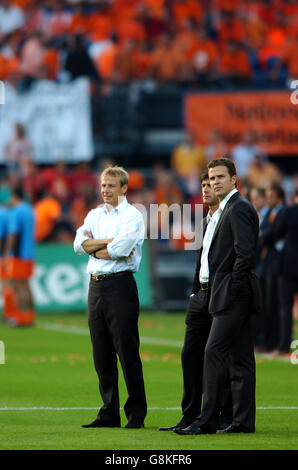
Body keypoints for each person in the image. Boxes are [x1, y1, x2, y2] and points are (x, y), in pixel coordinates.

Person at [175, 157, 261, 435]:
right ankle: (242, 423)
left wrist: (233, 288)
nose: (214, 183)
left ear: (234, 179)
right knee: (241, 358)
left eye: (220, 177)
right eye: (211, 179)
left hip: (231, 294)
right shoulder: (225, 210)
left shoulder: (237, 209)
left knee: (214, 352)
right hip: (220, 292)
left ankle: (209, 420)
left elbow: (246, 254)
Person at [73, 165, 147, 429]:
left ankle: (136, 413)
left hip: (120, 286)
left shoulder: (133, 216)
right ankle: (109, 412)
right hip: (95, 287)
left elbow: (120, 250)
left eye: (111, 186)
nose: (105, 190)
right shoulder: (94, 214)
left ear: (124, 188)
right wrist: (106, 243)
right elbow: (77, 244)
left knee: (127, 352)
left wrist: (97, 246)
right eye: (103, 185)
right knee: (101, 353)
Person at [159, 170, 232, 432]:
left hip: (219, 293)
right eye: (202, 185)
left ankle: (222, 415)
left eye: (211, 184)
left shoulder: (228, 218)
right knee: (190, 355)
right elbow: (199, 262)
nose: (206, 189)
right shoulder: (204, 222)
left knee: (216, 356)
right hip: (199, 295)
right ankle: (189, 415)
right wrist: (193, 292)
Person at [3, 186, 35, 327]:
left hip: (18, 254)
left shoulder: (16, 212)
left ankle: (22, 319)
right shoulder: (29, 210)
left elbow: (13, 234)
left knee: (18, 285)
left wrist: (6, 253)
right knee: (26, 285)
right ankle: (30, 316)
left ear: (14, 196)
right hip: (29, 253)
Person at [271, 188, 298, 355]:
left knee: (285, 307)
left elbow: (276, 233)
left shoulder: (288, 212)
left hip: (288, 264)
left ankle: (284, 345)